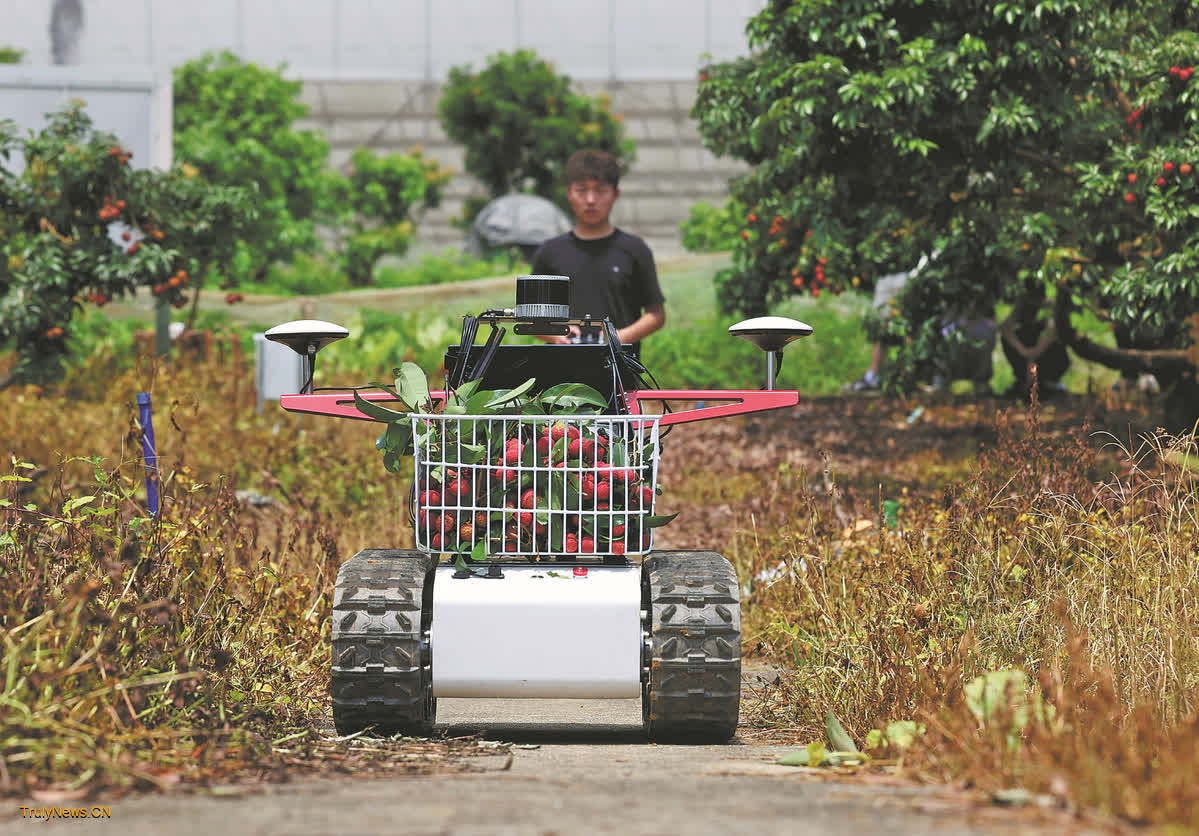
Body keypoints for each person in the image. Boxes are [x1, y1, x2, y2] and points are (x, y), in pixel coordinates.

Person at [530, 149, 665, 357]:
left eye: (600, 191)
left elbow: (656, 314)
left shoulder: (635, 250)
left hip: (620, 371)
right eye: (581, 190)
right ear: (569, 193)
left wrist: (619, 338)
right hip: (560, 376)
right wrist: (555, 335)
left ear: (615, 195)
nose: (591, 200)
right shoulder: (549, 252)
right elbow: (531, 319)